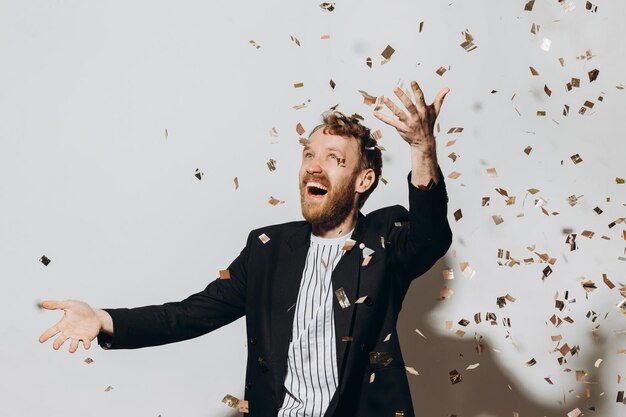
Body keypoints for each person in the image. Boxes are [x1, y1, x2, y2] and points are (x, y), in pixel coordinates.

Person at [39, 81, 453, 417]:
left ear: (363, 181)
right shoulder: (268, 250)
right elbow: (187, 315)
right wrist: (103, 318)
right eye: (309, 154)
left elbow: (430, 237)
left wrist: (421, 147)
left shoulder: (385, 238)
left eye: (333, 158)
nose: (313, 165)